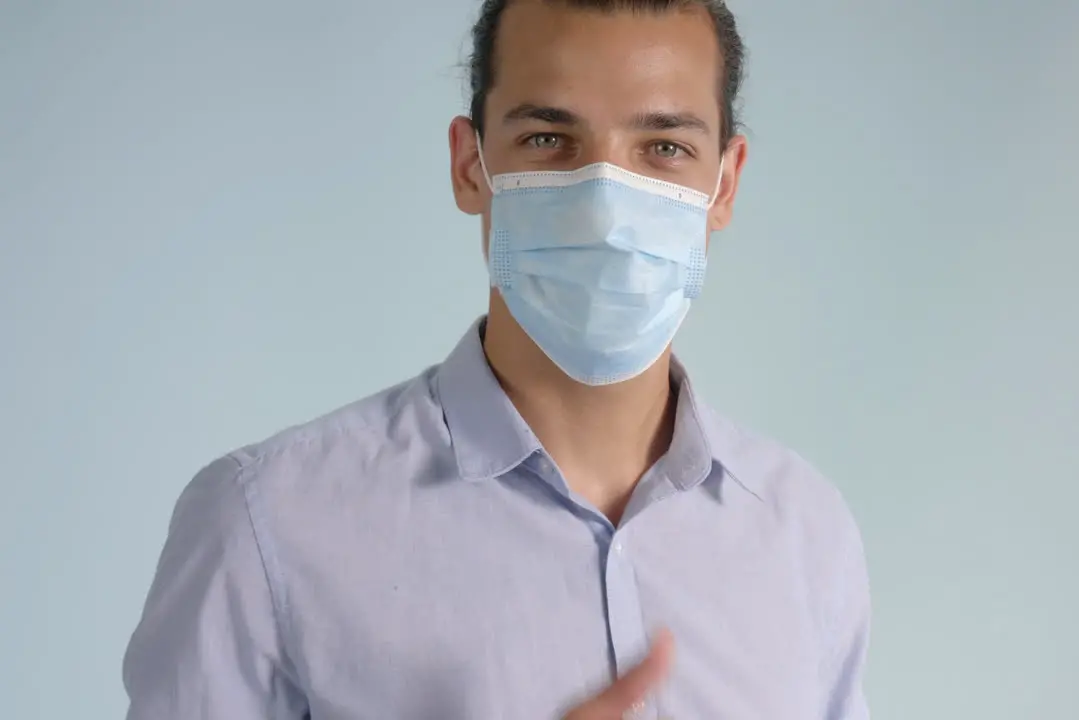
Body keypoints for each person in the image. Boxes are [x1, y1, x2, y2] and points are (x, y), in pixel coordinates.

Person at [122, 0, 871, 717]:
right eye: (549, 140)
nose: (604, 207)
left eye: (664, 148)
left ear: (725, 183)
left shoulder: (804, 531)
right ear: (469, 165)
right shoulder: (267, 523)